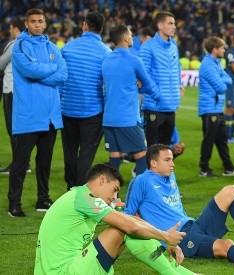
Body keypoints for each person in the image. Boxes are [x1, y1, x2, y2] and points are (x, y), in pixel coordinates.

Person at [124, 144, 234, 270]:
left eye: (172, 159)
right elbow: (128, 216)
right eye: (167, 160)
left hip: (194, 224)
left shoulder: (171, 175)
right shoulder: (141, 181)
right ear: (153, 163)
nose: (172, 164)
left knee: (230, 191)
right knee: (226, 245)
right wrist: (158, 239)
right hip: (180, 238)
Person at [34, 163, 194, 274]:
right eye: (114, 190)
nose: (114, 197)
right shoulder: (85, 197)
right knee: (122, 227)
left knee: (125, 223)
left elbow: (130, 219)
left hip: (59, 269)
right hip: (65, 271)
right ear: (102, 180)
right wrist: (165, 237)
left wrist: (164, 236)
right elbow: (129, 225)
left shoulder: (78, 196)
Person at [8, 9, 68, 217]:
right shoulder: (20, 46)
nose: (36, 24)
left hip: (50, 116)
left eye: (40, 21)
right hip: (28, 115)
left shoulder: (52, 47)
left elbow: (63, 74)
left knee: (44, 163)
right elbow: (30, 71)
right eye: (32, 21)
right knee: (20, 163)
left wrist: (44, 72)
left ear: (45, 24)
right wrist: (50, 69)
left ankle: (43, 198)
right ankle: (13, 203)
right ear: (26, 23)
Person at [101, 25, 164, 176]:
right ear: (124, 38)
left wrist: (134, 85)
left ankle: (111, 196)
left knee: (115, 157)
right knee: (142, 156)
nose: (132, 37)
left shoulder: (106, 59)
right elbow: (148, 85)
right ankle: (139, 192)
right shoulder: (134, 60)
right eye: (130, 35)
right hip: (127, 117)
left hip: (109, 118)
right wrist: (159, 97)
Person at [59, 12, 111, 190]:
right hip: (92, 109)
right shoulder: (105, 52)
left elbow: (59, 77)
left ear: (85, 26)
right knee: (86, 154)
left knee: (70, 151)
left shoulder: (67, 47)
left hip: (67, 108)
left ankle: (70, 187)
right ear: (101, 29)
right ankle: (78, 190)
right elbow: (108, 84)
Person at [198, 36, 234, 177]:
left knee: (222, 139)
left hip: (217, 108)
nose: (225, 50)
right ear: (214, 50)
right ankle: (204, 168)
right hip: (209, 108)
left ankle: (228, 168)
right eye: (222, 48)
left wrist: (222, 80)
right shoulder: (207, 64)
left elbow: (228, 79)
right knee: (209, 139)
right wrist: (222, 81)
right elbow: (220, 86)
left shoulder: (217, 63)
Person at [139, 12, 182, 147]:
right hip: (154, 106)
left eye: (174, 23)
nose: (174, 26)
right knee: (152, 149)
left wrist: (178, 89)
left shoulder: (173, 46)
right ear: (160, 25)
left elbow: (177, 69)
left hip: (170, 106)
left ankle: (163, 169)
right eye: (170, 23)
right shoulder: (147, 47)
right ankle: (145, 169)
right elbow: (144, 75)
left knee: (164, 149)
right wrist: (158, 95)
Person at [0, 17, 24, 175]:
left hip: (11, 90)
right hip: (19, 91)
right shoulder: (26, 43)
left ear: (16, 28)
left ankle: (18, 164)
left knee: (12, 128)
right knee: (18, 128)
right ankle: (24, 163)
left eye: (10, 28)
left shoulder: (15, 44)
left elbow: (1, 64)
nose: (9, 31)